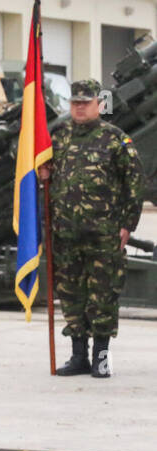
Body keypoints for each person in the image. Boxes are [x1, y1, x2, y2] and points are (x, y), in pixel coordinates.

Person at [39, 79, 145, 378]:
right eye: (75, 103)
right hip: (65, 234)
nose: (80, 107)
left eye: (86, 102)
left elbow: (135, 184)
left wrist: (127, 225)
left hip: (104, 234)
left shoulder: (115, 139)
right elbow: (44, 179)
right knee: (71, 295)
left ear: (98, 104)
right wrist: (42, 173)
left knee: (103, 295)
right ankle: (77, 356)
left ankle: (100, 357)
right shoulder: (57, 138)